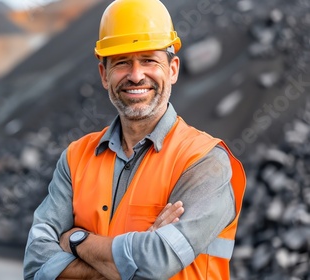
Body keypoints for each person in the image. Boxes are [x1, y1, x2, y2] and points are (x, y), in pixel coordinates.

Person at [23, 0, 246, 279]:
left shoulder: (204, 161)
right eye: (122, 62)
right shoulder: (75, 158)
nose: (136, 75)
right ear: (104, 75)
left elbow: (156, 263)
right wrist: (132, 259)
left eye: (149, 60)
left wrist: (77, 241)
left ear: (173, 69)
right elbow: (35, 265)